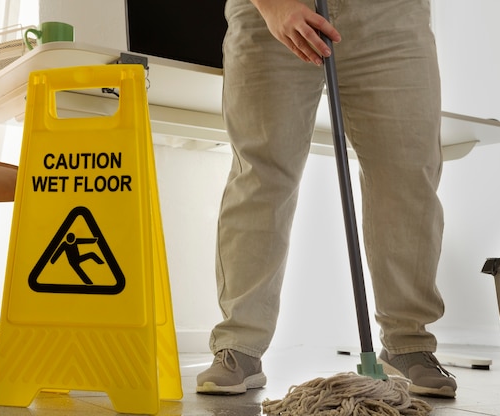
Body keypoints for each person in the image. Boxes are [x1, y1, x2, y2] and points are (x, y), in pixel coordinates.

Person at [196, 0, 458, 398]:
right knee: (263, 174)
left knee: (407, 174)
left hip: (390, 14)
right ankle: (239, 346)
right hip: (275, 12)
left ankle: (409, 344)